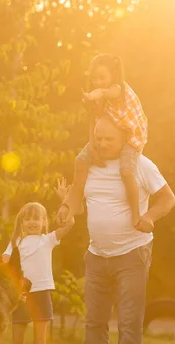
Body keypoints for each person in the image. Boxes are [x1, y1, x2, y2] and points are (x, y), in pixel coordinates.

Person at [77, 114, 175, 344]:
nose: (103, 143)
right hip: (96, 255)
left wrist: (149, 216)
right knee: (95, 321)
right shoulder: (89, 164)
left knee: (129, 323)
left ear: (123, 139)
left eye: (109, 139)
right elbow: (79, 199)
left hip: (132, 254)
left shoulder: (139, 165)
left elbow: (168, 198)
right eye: (99, 138)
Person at [58, 53, 148, 230]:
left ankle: (136, 213)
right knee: (80, 161)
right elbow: (94, 122)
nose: (98, 82)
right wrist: (92, 144)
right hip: (108, 135)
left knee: (126, 171)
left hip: (130, 136)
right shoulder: (96, 96)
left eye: (102, 78)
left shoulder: (118, 88)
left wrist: (99, 93)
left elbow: (112, 92)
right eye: (95, 79)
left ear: (113, 76)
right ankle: (77, 204)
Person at [4, 179, 75, 344]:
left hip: (41, 294)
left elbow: (70, 224)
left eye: (37, 219)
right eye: (28, 219)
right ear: (21, 222)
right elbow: (4, 263)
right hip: (21, 297)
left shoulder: (48, 239)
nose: (33, 222)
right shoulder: (16, 242)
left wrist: (65, 200)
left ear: (44, 221)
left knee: (39, 343)